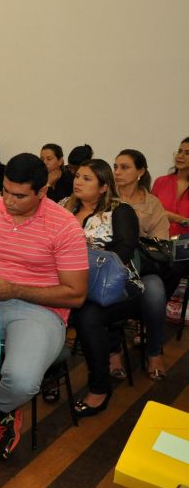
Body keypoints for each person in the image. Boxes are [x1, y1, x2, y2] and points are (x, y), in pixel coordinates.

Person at [0, 153, 88, 458]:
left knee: (23, 381)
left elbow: (76, 294)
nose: (9, 202)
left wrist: (15, 289)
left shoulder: (64, 226)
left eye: (20, 196)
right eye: (5, 192)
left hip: (39, 311)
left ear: (42, 192)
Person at [62, 159, 140, 417]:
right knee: (43, 307)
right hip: (68, 283)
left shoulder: (120, 210)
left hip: (115, 287)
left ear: (104, 186)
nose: (77, 182)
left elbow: (124, 251)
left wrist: (81, 258)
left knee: (87, 316)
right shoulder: (64, 207)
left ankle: (100, 387)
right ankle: (50, 378)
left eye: (87, 178)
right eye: (78, 176)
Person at [113, 149, 169, 380]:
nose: (117, 172)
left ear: (140, 171)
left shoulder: (151, 203)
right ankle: (113, 352)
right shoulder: (107, 196)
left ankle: (154, 352)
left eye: (124, 167)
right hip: (111, 266)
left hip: (141, 267)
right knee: (111, 290)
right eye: (115, 166)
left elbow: (162, 242)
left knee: (155, 291)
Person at [151, 136, 189, 236]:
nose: (180, 156)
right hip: (159, 241)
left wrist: (180, 219)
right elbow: (150, 212)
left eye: (187, 153)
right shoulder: (161, 181)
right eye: (179, 151)